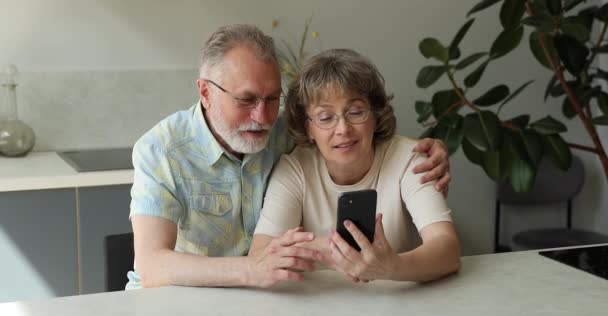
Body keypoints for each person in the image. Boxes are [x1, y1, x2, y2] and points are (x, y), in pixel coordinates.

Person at [127, 24, 452, 289]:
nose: (262, 116)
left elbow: (351, 134)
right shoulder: (161, 151)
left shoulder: (282, 133)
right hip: (179, 299)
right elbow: (152, 265)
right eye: (247, 100)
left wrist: (428, 148)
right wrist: (251, 269)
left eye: (272, 98)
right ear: (205, 92)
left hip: (269, 295)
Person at [249, 48, 461, 283]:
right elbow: (259, 256)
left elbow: (448, 250)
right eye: (326, 117)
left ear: (376, 115)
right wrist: (333, 248)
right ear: (308, 127)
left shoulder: (411, 159)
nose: (343, 129)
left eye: (355, 112)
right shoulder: (295, 169)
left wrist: (391, 267)